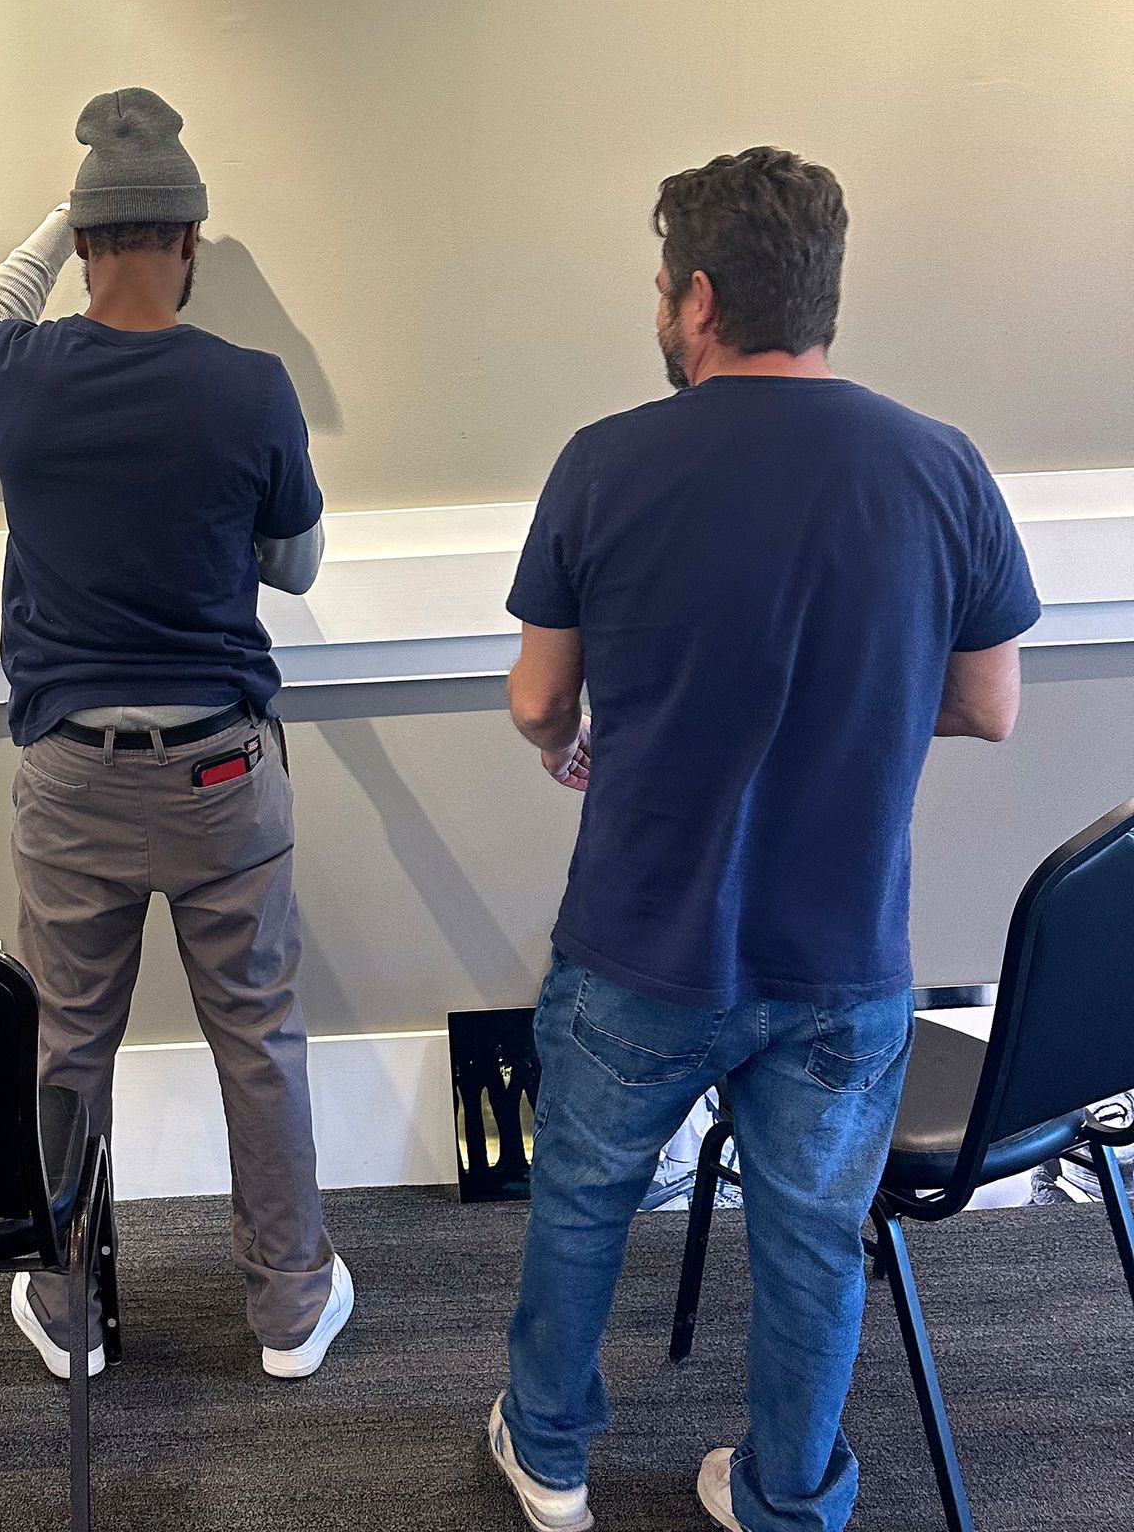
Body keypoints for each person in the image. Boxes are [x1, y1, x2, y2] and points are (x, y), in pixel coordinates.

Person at [489, 147, 1040, 1532]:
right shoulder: (940, 466)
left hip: (638, 943)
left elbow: (542, 700)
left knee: (583, 1204)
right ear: (824, 297)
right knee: (809, 1242)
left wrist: (576, 735)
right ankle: (788, 1494)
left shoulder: (604, 462)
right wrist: (847, 717)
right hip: (842, 958)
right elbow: (988, 704)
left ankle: (551, 1456)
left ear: (697, 298)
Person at [0, 88, 353, 1384]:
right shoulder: (250, 389)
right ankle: (289, 1312)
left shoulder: (18, 379)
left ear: (84, 240)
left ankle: (71, 1314)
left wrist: (64, 216)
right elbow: (292, 567)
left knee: (69, 1048)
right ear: (188, 239)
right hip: (226, 769)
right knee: (260, 1042)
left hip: (72, 775)